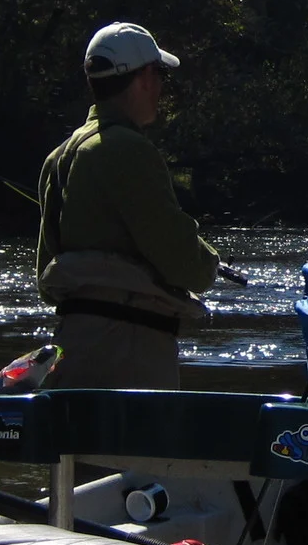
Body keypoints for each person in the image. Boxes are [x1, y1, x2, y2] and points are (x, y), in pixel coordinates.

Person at [36, 22, 221, 389]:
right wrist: (209, 260)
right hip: (129, 353)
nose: (161, 87)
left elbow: (46, 276)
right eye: (161, 75)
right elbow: (188, 266)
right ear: (145, 77)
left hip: (70, 347)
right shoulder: (129, 149)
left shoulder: (59, 156)